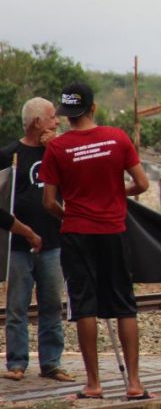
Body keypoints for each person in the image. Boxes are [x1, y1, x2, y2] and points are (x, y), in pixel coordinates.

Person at [39, 82, 151, 400]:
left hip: (76, 234)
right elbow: (141, 183)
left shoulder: (58, 148)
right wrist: (116, 194)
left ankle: (94, 384)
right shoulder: (118, 138)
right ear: (93, 108)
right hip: (113, 231)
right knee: (125, 306)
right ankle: (134, 384)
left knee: (84, 306)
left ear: (66, 113)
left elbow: (48, 202)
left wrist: (71, 216)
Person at [2, 97, 71, 383]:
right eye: (52, 117)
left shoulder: (56, 151)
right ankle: (17, 362)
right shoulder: (8, 155)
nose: (57, 122)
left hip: (53, 242)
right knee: (17, 305)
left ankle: (51, 362)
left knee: (52, 304)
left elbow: (74, 181)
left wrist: (54, 149)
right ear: (36, 122)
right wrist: (25, 231)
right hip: (18, 244)